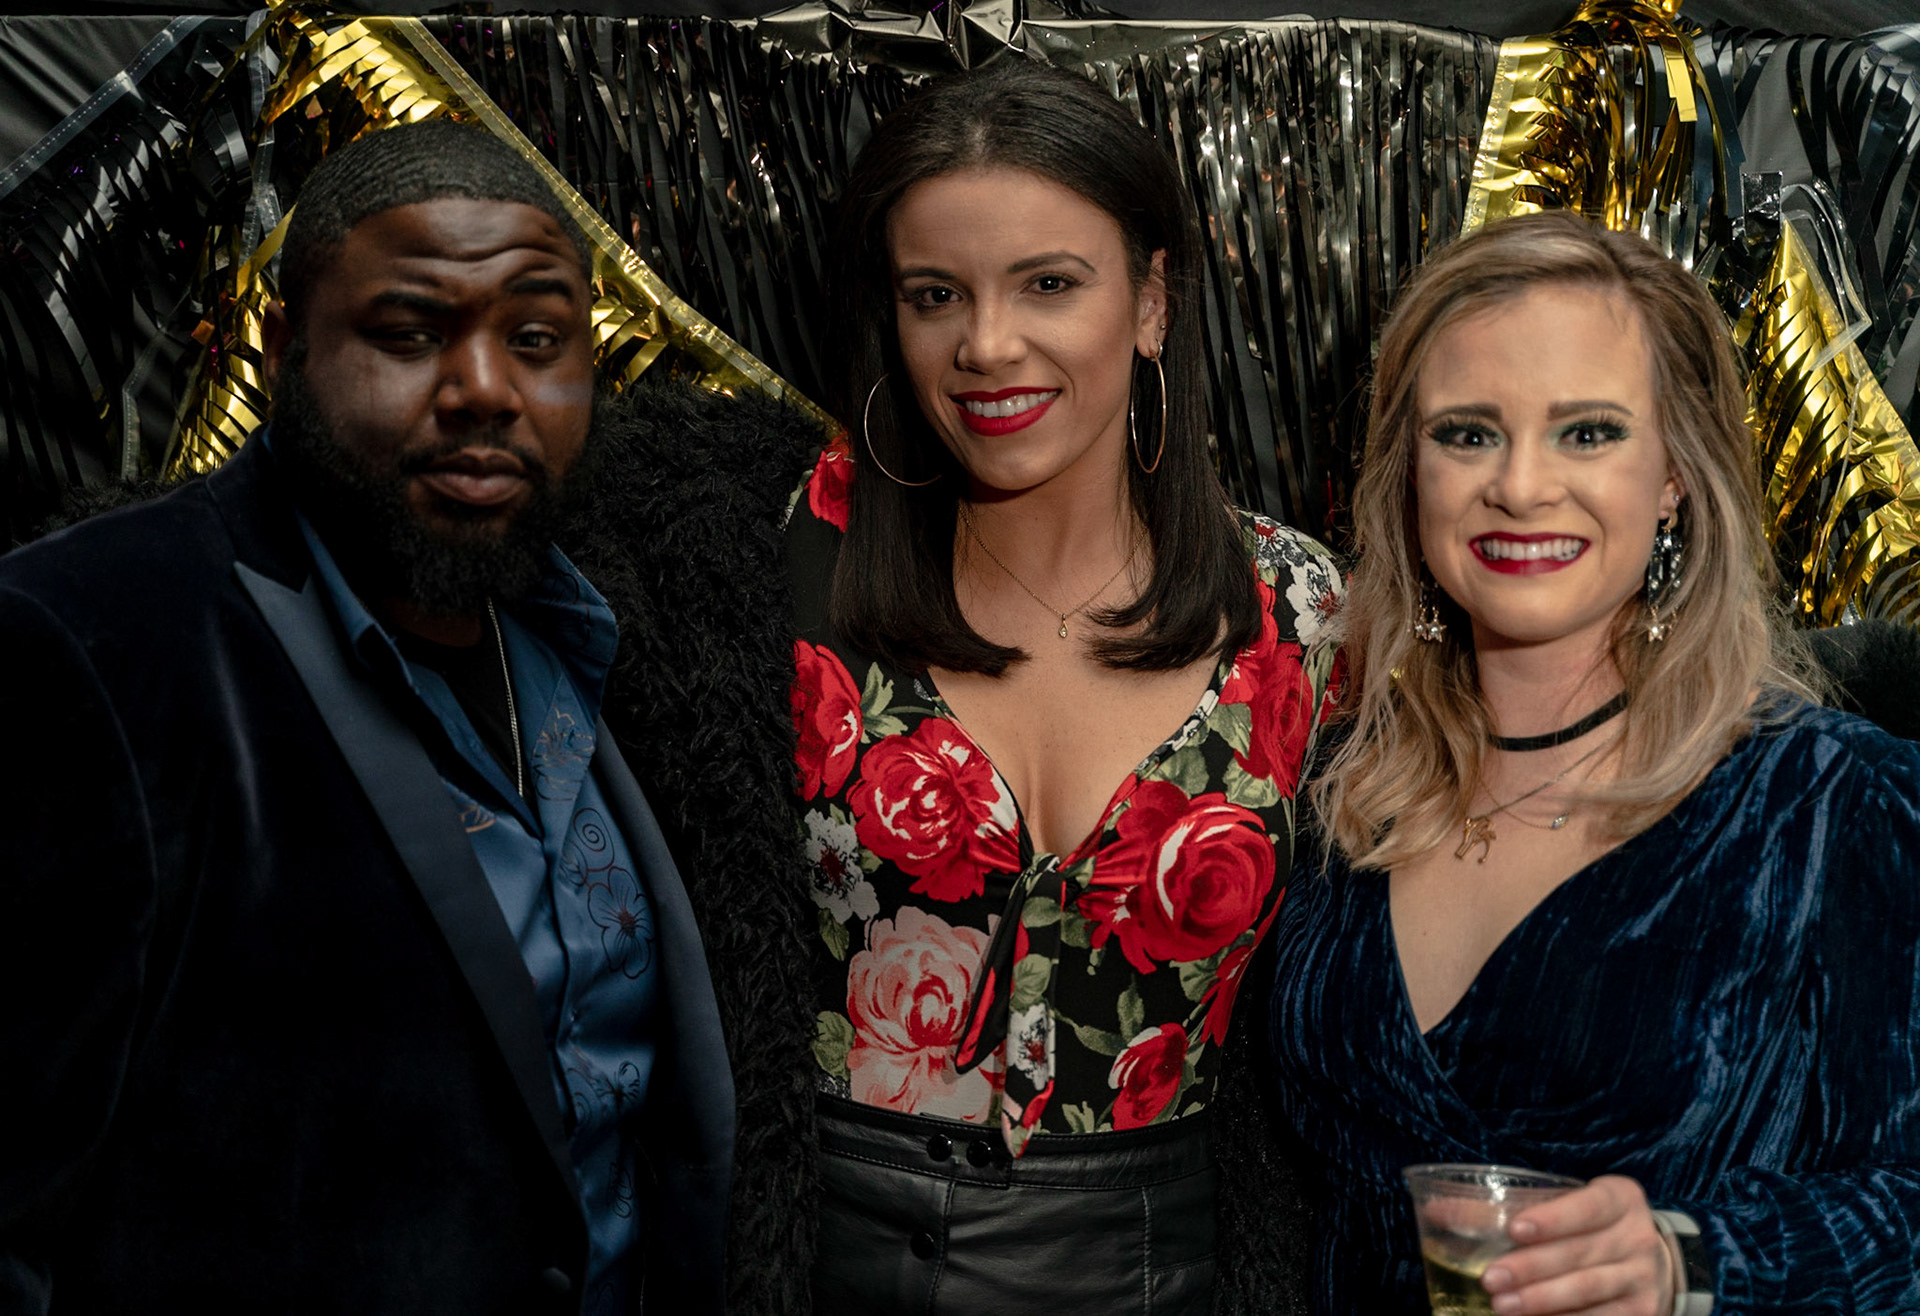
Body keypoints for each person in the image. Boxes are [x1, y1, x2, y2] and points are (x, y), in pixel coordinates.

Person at [0, 120, 734, 1314]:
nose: (484, 389)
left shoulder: (609, 636)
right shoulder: (81, 639)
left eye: (536, 340)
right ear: (283, 346)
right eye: (409, 333)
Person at [1269, 208, 1920, 1314]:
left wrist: (1688, 1262)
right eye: (1467, 432)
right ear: (1410, 469)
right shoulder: (1340, 790)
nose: (1521, 485)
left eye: (1587, 432)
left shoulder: (1831, 800)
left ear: (1675, 473)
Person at [784, 60, 1342, 1312]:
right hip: (819, 1263)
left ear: (1152, 301)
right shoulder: (780, 560)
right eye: (937, 294)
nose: (987, 344)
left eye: (1048, 283)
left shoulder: (1301, 612)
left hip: (1162, 1275)